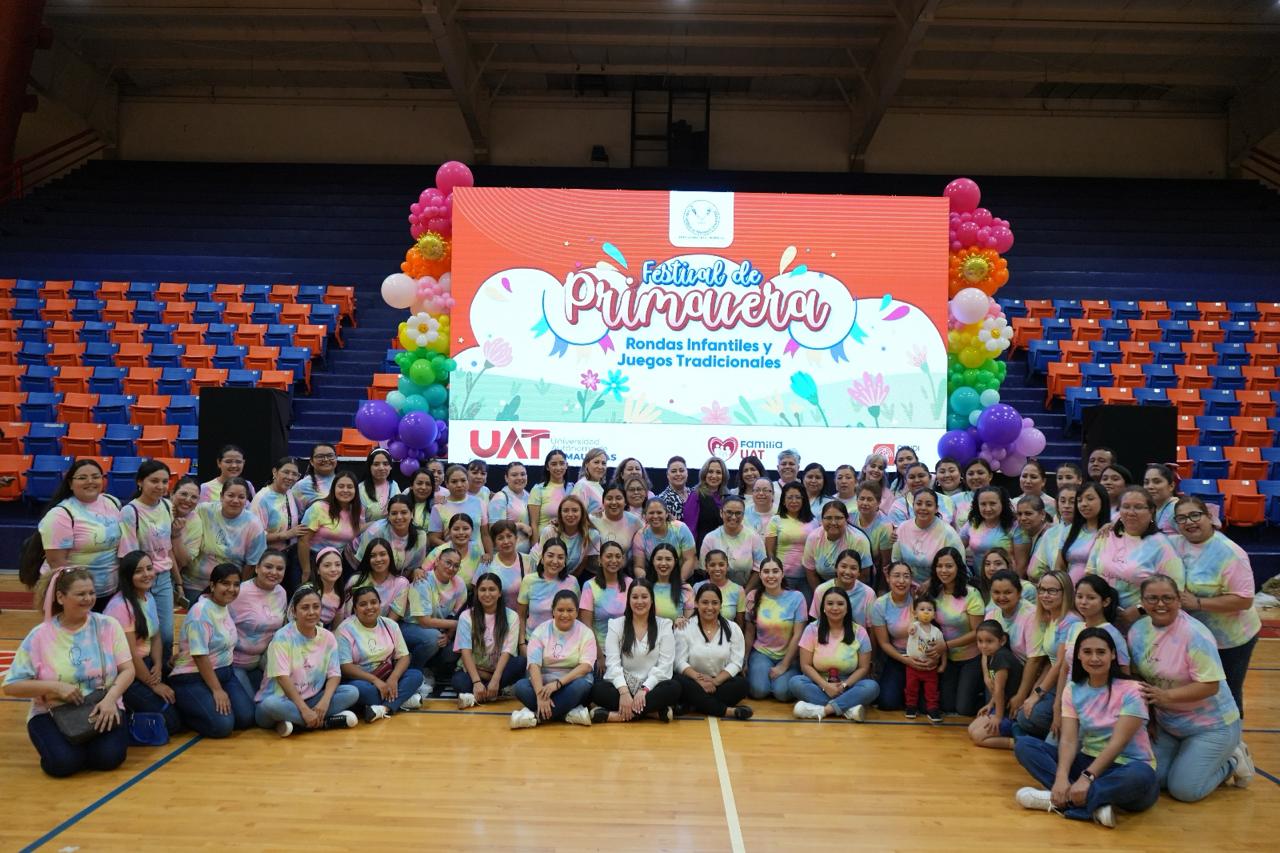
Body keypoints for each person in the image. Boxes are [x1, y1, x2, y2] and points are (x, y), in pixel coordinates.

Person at [1013, 627, 1159, 828]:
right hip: (1088, 760)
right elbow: (1068, 740)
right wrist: (1061, 777)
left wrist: (1087, 777)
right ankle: (1093, 804)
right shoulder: (1073, 689)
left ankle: (1062, 801)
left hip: (1126, 768)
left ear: (1112, 655)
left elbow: (1117, 743)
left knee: (1142, 775)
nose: (1094, 658)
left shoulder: (1133, 690)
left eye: (1101, 652)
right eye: (1087, 652)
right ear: (1078, 656)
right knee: (1025, 745)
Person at [1128, 576, 1252, 801]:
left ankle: (1232, 761)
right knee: (1154, 779)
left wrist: (1166, 696)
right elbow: (1139, 677)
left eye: (1167, 598)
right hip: (1169, 724)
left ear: (1179, 600)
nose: (1160, 604)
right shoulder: (1137, 631)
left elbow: (1210, 686)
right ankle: (1189, 760)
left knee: (1184, 790)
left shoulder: (1195, 634)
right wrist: (1151, 718)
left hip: (1212, 726)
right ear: (1142, 601)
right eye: (1152, 598)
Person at [3, 567, 134, 777]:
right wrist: (55, 687)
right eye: (80, 594)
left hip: (102, 706)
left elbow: (128, 670)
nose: (88, 599)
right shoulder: (39, 636)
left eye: (91, 593)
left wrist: (111, 700)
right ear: (60, 597)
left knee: (108, 758)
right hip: (52, 712)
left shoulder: (108, 625)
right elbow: (11, 686)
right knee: (64, 764)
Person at [1170, 495, 1260, 715]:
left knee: (1228, 694)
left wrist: (1198, 603)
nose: (1189, 522)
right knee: (1199, 692)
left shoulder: (1230, 553)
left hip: (1230, 641)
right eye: (1182, 518)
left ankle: (1235, 735)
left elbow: (1244, 600)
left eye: (1195, 515)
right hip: (1196, 637)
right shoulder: (1174, 543)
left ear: (1209, 517)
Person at [254, 585, 360, 736]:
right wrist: (304, 710)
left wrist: (324, 702)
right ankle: (324, 723)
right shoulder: (282, 637)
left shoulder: (328, 637)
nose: (311, 612)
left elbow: (334, 674)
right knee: (271, 705)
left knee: (351, 692)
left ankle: (293, 723)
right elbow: (282, 678)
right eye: (305, 608)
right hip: (280, 701)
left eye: (316, 607)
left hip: (311, 699)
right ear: (294, 611)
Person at [169, 563, 254, 738]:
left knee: (245, 718)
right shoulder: (200, 612)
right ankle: (183, 711)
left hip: (224, 672)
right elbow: (200, 656)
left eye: (236, 584)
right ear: (213, 585)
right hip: (193, 676)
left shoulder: (224, 606)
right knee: (222, 726)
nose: (231, 589)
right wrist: (217, 690)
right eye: (225, 583)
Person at [1086, 485, 1185, 627]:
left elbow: (1176, 590)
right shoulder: (1106, 535)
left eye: (1138, 507)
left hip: (1141, 622)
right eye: (1126, 507)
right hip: (1102, 618)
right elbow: (1090, 572)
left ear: (1151, 511)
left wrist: (1140, 609)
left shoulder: (1161, 546)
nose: (1131, 512)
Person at [106, 551, 181, 734]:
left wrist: (158, 664)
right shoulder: (120, 606)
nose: (147, 574)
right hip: (126, 672)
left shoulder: (149, 597)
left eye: (149, 568)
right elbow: (130, 655)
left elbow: (155, 636)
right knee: (172, 723)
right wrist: (153, 684)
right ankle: (126, 713)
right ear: (127, 576)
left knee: (181, 703)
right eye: (139, 571)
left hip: (146, 664)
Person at [36, 459, 122, 609]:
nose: (90, 481)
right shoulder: (60, 515)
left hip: (110, 591)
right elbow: (57, 563)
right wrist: (82, 593)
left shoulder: (113, 502)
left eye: (95, 477)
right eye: (82, 478)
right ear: (70, 483)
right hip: (77, 595)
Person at [590, 580, 680, 724]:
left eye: (644, 597)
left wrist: (644, 690)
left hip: (651, 687)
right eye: (635, 597)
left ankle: (615, 716)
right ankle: (652, 713)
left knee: (674, 688)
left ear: (651, 600)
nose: (639, 601)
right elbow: (612, 664)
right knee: (597, 690)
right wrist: (624, 692)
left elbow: (665, 666)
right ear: (629, 600)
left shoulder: (664, 625)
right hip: (623, 685)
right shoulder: (616, 624)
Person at [789, 587, 880, 721]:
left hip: (848, 685)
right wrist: (825, 686)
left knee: (872, 687)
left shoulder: (860, 632)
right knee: (796, 682)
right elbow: (805, 665)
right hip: (819, 683)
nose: (835, 608)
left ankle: (823, 710)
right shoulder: (811, 629)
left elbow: (863, 668)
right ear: (823, 608)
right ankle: (848, 710)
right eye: (830, 603)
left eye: (840, 604)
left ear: (847, 608)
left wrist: (844, 685)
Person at [117, 459, 179, 655]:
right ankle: (147, 670)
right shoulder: (130, 511)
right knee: (144, 634)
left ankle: (163, 670)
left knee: (166, 635)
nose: (160, 486)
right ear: (140, 482)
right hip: (141, 578)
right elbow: (129, 555)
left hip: (164, 579)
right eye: (154, 481)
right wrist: (139, 582)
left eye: (165, 481)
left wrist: (178, 581)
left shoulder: (167, 506)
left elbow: (168, 548)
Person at [510, 590, 596, 729]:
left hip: (570, 684)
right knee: (520, 687)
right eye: (560, 610)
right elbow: (534, 665)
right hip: (544, 685)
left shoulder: (586, 632)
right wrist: (540, 694)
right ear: (553, 611)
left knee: (581, 686)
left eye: (570, 610)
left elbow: (585, 667)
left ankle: (535, 716)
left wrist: (558, 684)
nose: (565, 615)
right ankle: (566, 713)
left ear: (576, 612)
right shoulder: (541, 631)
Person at [337, 585, 424, 722]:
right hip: (362, 680)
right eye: (363, 604)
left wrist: (394, 678)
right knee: (363, 691)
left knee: (416, 676)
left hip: (386, 676)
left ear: (380, 604)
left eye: (373, 602)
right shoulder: (344, 629)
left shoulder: (390, 624)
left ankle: (383, 708)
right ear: (355, 608)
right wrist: (374, 680)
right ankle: (400, 700)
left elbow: (404, 656)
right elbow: (345, 667)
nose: (369, 607)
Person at [1013, 570, 1080, 740]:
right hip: (1053, 681)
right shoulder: (1051, 617)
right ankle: (1023, 737)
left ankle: (1025, 739)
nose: (1045, 595)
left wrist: (1037, 695)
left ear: (1065, 593)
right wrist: (1032, 694)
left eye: (1052, 591)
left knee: (1031, 717)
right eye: (1042, 589)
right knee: (1023, 713)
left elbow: (1060, 664)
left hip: (1068, 683)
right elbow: (1050, 663)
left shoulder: (1070, 621)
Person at [676, 584, 753, 719]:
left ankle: (693, 704)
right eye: (705, 602)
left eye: (715, 603)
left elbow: (736, 662)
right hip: (693, 681)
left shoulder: (733, 628)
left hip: (720, 683)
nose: (710, 607)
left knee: (742, 685)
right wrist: (699, 679)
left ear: (721, 605)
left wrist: (715, 681)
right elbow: (679, 662)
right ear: (696, 603)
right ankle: (727, 711)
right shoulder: (685, 627)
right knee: (677, 681)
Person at [186, 477, 267, 604]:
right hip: (195, 583)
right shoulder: (204, 511)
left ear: (246, 500)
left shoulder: (254, 525)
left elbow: (252, 564)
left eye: (241, 497)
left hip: (228, 589)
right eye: (231, 495)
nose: (235, 500)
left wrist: (236, 590)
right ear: (221, 496)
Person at [926, 547, 985, 716]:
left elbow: (978, 632)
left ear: (958, 567)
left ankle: (985, 696)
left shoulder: (972, 594)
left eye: (949, 566)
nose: (944, 570)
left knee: (963, 708)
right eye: (939, 566)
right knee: (947, 705)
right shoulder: (934, 592)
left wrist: (946, 645)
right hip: (947, 659)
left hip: (971, 658)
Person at [454, 573, 526, 707]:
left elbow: (507, 651)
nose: (487, 594)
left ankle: (485, 691)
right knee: (459, 683)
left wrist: (495, 679)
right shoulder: (466, 616)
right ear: (477, 592)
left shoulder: (512, 616)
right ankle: (491, 691)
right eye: (483, 589)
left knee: (520, 662)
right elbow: (465, 651)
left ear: (499, 593)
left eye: (492, 589)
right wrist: (477, 681)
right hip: (474, 670)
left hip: (499, 670)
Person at [402, 546, 466, 692]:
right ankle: (413, 673)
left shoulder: (459, 584)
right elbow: (424, 621)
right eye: (448, 562)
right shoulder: (423, 580)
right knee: (433, 638)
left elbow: (456, 613)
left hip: (439, 628)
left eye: (456, 565)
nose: (451, 568)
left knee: (453, 646)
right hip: (410, 626)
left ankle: (433, 671)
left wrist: (449, 635)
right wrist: (457, 624)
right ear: (437, 561)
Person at [744, 557, 806, 701]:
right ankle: (766, 681)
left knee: (782, 693)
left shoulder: (797, 598)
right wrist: (745, 659)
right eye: (766, 572)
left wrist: (784, 665)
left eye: (775, 571)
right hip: (762, 653)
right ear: (760, 575)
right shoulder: (752, 596)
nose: (770, 575)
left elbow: (798, 635)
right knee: (759, 691)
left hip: (788, 655)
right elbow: (749, 632)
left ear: (782, 574)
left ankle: (777, 682)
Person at [229, 549, 288, 698]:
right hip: (234, 663)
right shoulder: (239, 592)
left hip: (262, 662)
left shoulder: (281, 592)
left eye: (279, 568)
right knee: (249, 708)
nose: (274, 572)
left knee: (272, 700)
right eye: (268, 567)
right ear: (257, 568)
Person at [984, 569, 1040, 715]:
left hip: (1025, 675)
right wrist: (987, 676)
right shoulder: (992, 614)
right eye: (996, 592)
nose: (1001, 597)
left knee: (1001, 653)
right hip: (1001, 675)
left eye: (1008, 592)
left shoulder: (1031, 615)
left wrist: (1021, 695)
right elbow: (985, 650)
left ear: (1019, 593)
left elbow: (1034, 660)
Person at [871, 561, 924, 710]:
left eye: (906, 576)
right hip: (898, 657)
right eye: (896, 576)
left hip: (922, 656)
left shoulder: (919, 598)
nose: (901, 581)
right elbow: (884, 643)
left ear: (911, 579)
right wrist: (906, 660)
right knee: (887, 703)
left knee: (925, 706)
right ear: (888, 578)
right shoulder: (880, 605)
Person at [250, 456, 307, 593]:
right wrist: (285, 535)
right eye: (286, 472)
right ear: (275, 472)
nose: (290, 477)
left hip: (290, 555)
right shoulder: (262, 498)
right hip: (269, 558)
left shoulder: (289, 493)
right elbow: (255, 537)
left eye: (294, 474)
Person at [967, 620, 1023, 750]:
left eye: (989, 641)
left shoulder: (1001, 657)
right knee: (971, 729)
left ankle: (1017, 744)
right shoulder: (990, 655)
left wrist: (998, 717)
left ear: (1002, 641)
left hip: (1010, 713)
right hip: (1000, 707)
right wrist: (991, 704)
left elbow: (1000, 689)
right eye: (980, 641)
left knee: (978, 737)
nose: (984, 646)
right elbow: (998, 689)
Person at [299, 471, 363, 581]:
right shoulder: (318, 508)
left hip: (336, 563)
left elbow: (357, 529)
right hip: (312, 560)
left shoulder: (356, 511)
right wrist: (306, 570)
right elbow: (303, 541)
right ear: (333, 489)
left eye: (350, 487)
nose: (345, 490)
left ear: (356, 491)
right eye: (341, 486)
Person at [578, 540, 633, 670]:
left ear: (623, 560)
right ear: (600, 560)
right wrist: (599, 657)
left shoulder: (630, 583)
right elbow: (587, 626)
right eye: (609, 556)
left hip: (628, 651)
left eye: (618, 556)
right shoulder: (589, 586)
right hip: (601, 651)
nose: (614, 560)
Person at [349, 495, 427, 585]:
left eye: (404, 512)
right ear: (388, 515)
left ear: (412, 514)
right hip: (361, 568)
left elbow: (415, 566)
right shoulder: (376, 531)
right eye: (394, 513)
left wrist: (415, 571)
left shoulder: (420, 536)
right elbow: (363, 564)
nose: (399, 517)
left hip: (397, 579)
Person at [517, 539, 580, 650]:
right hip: (533, 642)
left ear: (565, 561)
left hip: (564, 644)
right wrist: (522, 644)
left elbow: (577, 616)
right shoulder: (529, 581)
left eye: (560, 557)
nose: (555, 561)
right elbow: (521, 616)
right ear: (542, 558)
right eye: (550, 556)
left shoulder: (572, 582)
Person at [891, 488, 963, 586]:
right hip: (906, 585)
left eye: (929, 505)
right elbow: (896, 561)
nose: (923, 508)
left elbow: (958, 566)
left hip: (940, 585)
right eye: (919, 504)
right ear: (913, 505)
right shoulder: (902, 528)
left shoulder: (948, 533)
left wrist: (931, 583)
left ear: (936, 508)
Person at [802, 501, 873, 595]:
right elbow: (810, 573)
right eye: (828, 518)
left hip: (854, 588)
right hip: (823, 587)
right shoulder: (813, 538)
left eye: (838, 518)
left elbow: (864, 575)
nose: (833, 522)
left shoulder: (859, 540)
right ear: (821, 520)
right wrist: (822, 596)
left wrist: (846, 597)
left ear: (847, 519)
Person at [765, 482, 818, 599]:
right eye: (789, 497)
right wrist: (775, 573)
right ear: (783, 501)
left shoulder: (813, 522)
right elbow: (770, 552)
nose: (794, 501)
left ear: (804, 500)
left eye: (798, 497)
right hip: (783, 577)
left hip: (808, 577)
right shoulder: (775, 520)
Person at [700, 495, 766, 588]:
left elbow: (760, 568)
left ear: (743, 515)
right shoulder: (710, 539)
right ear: (721, 513)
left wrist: (744, 593)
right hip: (716, 591)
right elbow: (704, 570)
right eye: (729, 512)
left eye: (738, 513)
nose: (734, 517)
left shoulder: (753, 537)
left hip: (747, 590)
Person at [429, 464, 491, 555]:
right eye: (454, 481)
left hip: (477, 558)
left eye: (463, 480)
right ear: (447, 483)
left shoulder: (479, 503)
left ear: (468, 481)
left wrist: (489, 554)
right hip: (452, 559)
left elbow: (485, 535)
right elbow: (433, 538)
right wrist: (452, 550)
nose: (459, 485)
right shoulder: (439, 507)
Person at [534, 495, 600, 581]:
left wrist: (569, 582)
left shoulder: (592, 535)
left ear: (582, 512)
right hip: (541, 575)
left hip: (568, 578)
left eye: (575, 510)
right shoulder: (550, 531)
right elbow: (540, 563)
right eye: (565, 511)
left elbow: (582, 564)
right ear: (560, 514)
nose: (570, 514)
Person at [632, 497, 696, 581]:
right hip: (654, 580)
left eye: (659, 512)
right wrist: (648, 584)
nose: (655, 516)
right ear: (645, 515)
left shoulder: (681, 529)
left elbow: (690, 559)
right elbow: (639, 567)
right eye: (651, 513)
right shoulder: (640, 536)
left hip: (682, 577)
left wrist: (678, 583)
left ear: (666, 514)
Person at [345, 537, 409, 620]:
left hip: (384, 627)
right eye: (373, 556)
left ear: (390, 556)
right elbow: (346, 615)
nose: (378, 559)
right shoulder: (356, 580)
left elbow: (391, 621)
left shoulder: (401, 583)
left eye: (382, 554)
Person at [903, 598, 946, 722]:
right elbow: (911, 628)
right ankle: (911, 707)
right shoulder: (915, 626)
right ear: (915, 613)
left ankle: (932, 709)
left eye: (929, 610)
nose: (926, 612)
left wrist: (943, 664)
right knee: (911, 688)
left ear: (934, 614)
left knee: (932, 690)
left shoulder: (937, 632)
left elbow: (943, 648)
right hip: (913, 666)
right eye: (922, 609)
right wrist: (911, 627)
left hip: (930, 667)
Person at [1057, 482, 1108, 583]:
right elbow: (1059, 567)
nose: (1083, 504)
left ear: (1103, 500)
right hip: (1069, 588)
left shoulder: (1109, 531)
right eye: (1079, 500)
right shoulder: (1069, 530)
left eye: (1090, 499)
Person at [808, 548, 874, 626]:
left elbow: (871, 627)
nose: (847, 572)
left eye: (853, 568)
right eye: (843, 566)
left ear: (859, 572)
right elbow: (816, 623)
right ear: (836, 568)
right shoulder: (821, 590)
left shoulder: (868, 593)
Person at [961, 486, 1015, 573]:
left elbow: (1021, 564)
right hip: (978, 578)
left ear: (1002, 503)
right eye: (983, 504)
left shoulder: (1014, 525)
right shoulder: (972, 523)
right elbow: (957, 548)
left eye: (992, 503)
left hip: (1006, 579)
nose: (988, 508)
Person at [1028, 485, 1076, 583]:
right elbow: (1034, 571)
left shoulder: (1089, 531)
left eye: (1072, 502)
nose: (1066, 505)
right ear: (1057, 504)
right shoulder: (1051, 533)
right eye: (1062, 501)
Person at [168, 476, 203, 609]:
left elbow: (184, 561)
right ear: (172, 493)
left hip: (170, 578)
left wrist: (176, 535)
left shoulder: (195, 521)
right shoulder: (160, 511)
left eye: (194, 497)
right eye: (183, 494)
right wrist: (179, 583)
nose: (188, 500)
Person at [425, 513, 486, 587]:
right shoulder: (439, 551)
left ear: (472, 530)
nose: (461, 532)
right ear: (449, 531)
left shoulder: (476, 549)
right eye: (456, 529)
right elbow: (422, 573)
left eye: (465, 529)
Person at [683, 456, 730, 548]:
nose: (714, 476)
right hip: (703, 547)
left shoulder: (728, 496)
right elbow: (690, 528)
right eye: (710, 471)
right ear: (704, 474)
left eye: (718, 472)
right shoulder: (696, 495)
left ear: (723, 476)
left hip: (725, 547)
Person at [488, 461, 534, 553]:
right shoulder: (500, 497)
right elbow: (494, 529)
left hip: (526, 556)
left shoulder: (529, 496)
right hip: (505, 555)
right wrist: (520, 526)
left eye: (523, 474)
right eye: (514, 475)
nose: (519, 478)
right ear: (506, 478)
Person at [485, 520, 532, 611]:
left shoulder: (528, 561)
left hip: (524, 615)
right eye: (500, 538)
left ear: (516, 538)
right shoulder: (487, 563)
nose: (506, 541)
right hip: (497, 616)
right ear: (494, 543)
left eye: (509, 536)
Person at [591, 483, 644, 558]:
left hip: (623, 565)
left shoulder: (634, 521)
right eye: (609, 499)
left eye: (618, 498)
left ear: (625, 502)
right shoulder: (592, 519)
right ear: (603, 502)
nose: (614, 502)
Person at [695, 549, 746, 626]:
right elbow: (693, 617)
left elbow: (740, 624)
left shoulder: (738, 590)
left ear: (727, 566)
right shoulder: (697, 587)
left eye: (721, 565)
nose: (717, 568)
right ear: (706, 567)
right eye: (712, 565)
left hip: (729, 633)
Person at [648, 542, 694, 623]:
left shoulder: (685, 589)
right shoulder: (644, 587)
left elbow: (690, 623)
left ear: (675, 561)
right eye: (659, 559)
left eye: (668, 559)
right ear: (653, 561)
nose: (663, 563)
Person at [853, 481, 893, 574]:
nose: (864, 503)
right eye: (861, 498)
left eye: (869, 499)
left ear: (878, 502)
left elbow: (885, 563)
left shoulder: (885, 526)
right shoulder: (849, 517)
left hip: (873, 572)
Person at [528, 449, 569, 532]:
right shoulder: (538, 489)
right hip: (544, 538)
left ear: (566, 465)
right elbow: (534, 524)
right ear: (547, 467)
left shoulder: (572, 487)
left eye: (562, 463)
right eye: (554, 464)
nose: (558, 467)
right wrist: (536, 541)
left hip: (567, 539)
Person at [357, 448, 400, 525]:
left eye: (385, 464)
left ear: (391, 467)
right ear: (369, 467)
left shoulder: (394, 485)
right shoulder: (360, 489)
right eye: (376, 464)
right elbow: (359, 525)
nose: (381, 468)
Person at [291, 442, 337, 512]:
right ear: (311, 461)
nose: (326, 459)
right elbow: (293, 515)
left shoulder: (344, 482)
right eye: (320, 456)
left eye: (330, 456)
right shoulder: (302, 486)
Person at [1012, 494, 1051, 577]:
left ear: (1042, 514)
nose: (1022, 518)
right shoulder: (1023, 534)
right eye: (1019, 514)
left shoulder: (1051, 535)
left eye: (1028, 513)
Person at [310, 546, 346, 629]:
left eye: (337, 565)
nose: (333, 569)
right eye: (327, 565)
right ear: (317, 570)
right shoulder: (307, 591)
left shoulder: (340, 595)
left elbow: (336, 629)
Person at [570, 446, 609, 514]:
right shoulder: (581, 486)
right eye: (596, 462)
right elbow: (574, 516)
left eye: (603, 463)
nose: (600, 466)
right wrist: (592, 516)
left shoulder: (598, 486)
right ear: (586, 464)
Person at [1143, 463, 1180, 535]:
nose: (1150, 486)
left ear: (1171, 486)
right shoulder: (1150, 509)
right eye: (1146, 482)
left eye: (1157, 482)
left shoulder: (1177, 509)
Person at [657, 455, 691, 521]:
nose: (678, 474)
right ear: (667, 475)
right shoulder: (661, 500)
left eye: (681, 471)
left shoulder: (695, 494)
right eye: (674, 471)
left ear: (687, 473)